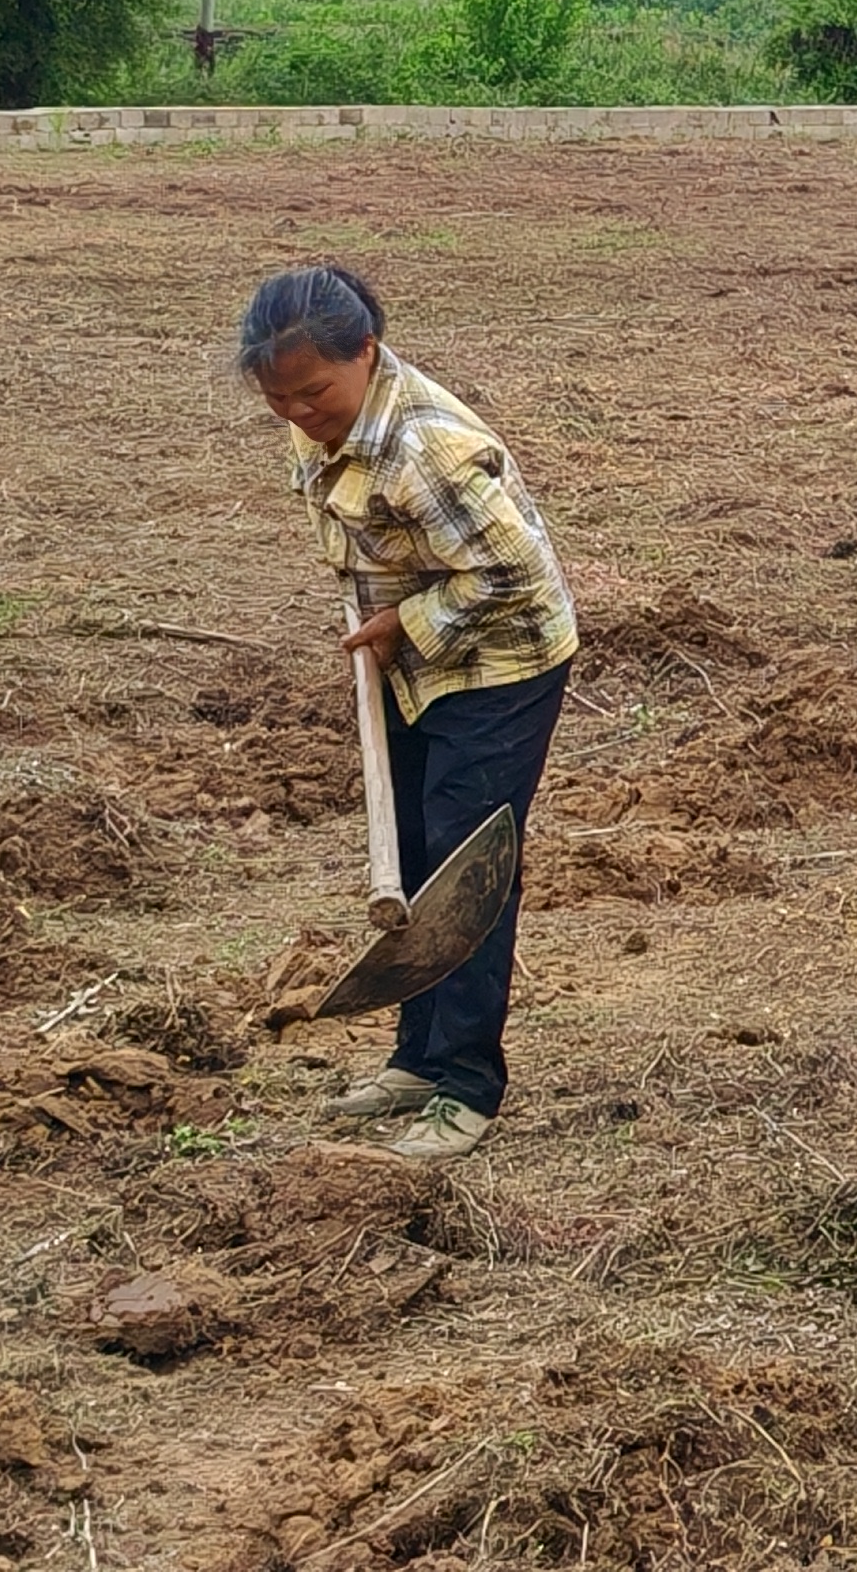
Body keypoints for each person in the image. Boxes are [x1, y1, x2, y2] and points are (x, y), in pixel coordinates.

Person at [241, 263, 579, 1163]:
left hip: (501, 662)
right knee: (422, 856)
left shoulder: (426, 447)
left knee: (467, 870)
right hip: (416, 661)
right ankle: (417, 1059)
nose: (297, 413)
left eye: (313, 392)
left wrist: (405, 621)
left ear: (366, 351)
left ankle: (466, 1084)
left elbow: (516, 574)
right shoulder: (325, 421)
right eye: (277, 399)